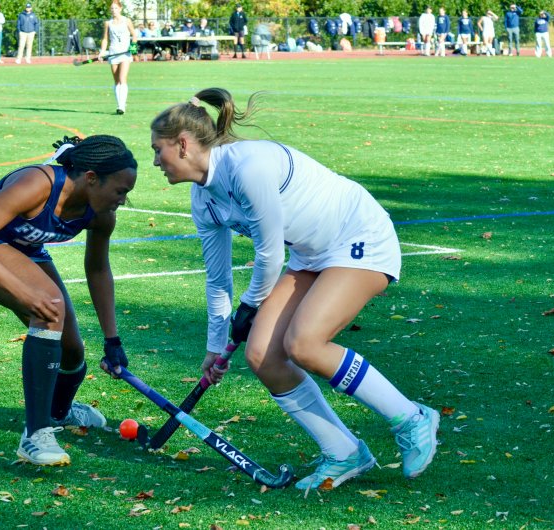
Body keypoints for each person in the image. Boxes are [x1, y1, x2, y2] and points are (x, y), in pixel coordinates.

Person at [144, 88, 440, 491]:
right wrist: (215, 346)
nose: (155, 161)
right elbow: (217, 278)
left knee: (305, 344)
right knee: (262, 356)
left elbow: (269, 254)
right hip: (310, 253)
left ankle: (411, 418)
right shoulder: (203, 200)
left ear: (182, 144)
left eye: (157, 150)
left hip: (358, 235)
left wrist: (249, 306)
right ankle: (343, 451)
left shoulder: (248, 167)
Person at [0, 135, 136, 467]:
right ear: (91, 178)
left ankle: (58, 412)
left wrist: (112, 339)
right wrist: (22, 294)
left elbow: (98, 269)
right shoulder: (38, 184)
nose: (123, 200)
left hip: (23, 248)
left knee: (71, 350)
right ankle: (35, 435)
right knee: (49, 306)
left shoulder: (101, 214)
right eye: (120, 191)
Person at [99, 1, 137, 115]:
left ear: (120, 9)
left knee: (122, 78)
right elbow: (105, 39)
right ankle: (119, 104)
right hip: (113, 52)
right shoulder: (108, 23)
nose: (113, 10)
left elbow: (134, 35)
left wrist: (133, 47)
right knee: (116, 81)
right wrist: (102, 52)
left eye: (115, 8)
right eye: (112, 8)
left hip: (125, 53)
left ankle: (121, 106)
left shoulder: (127, 20)